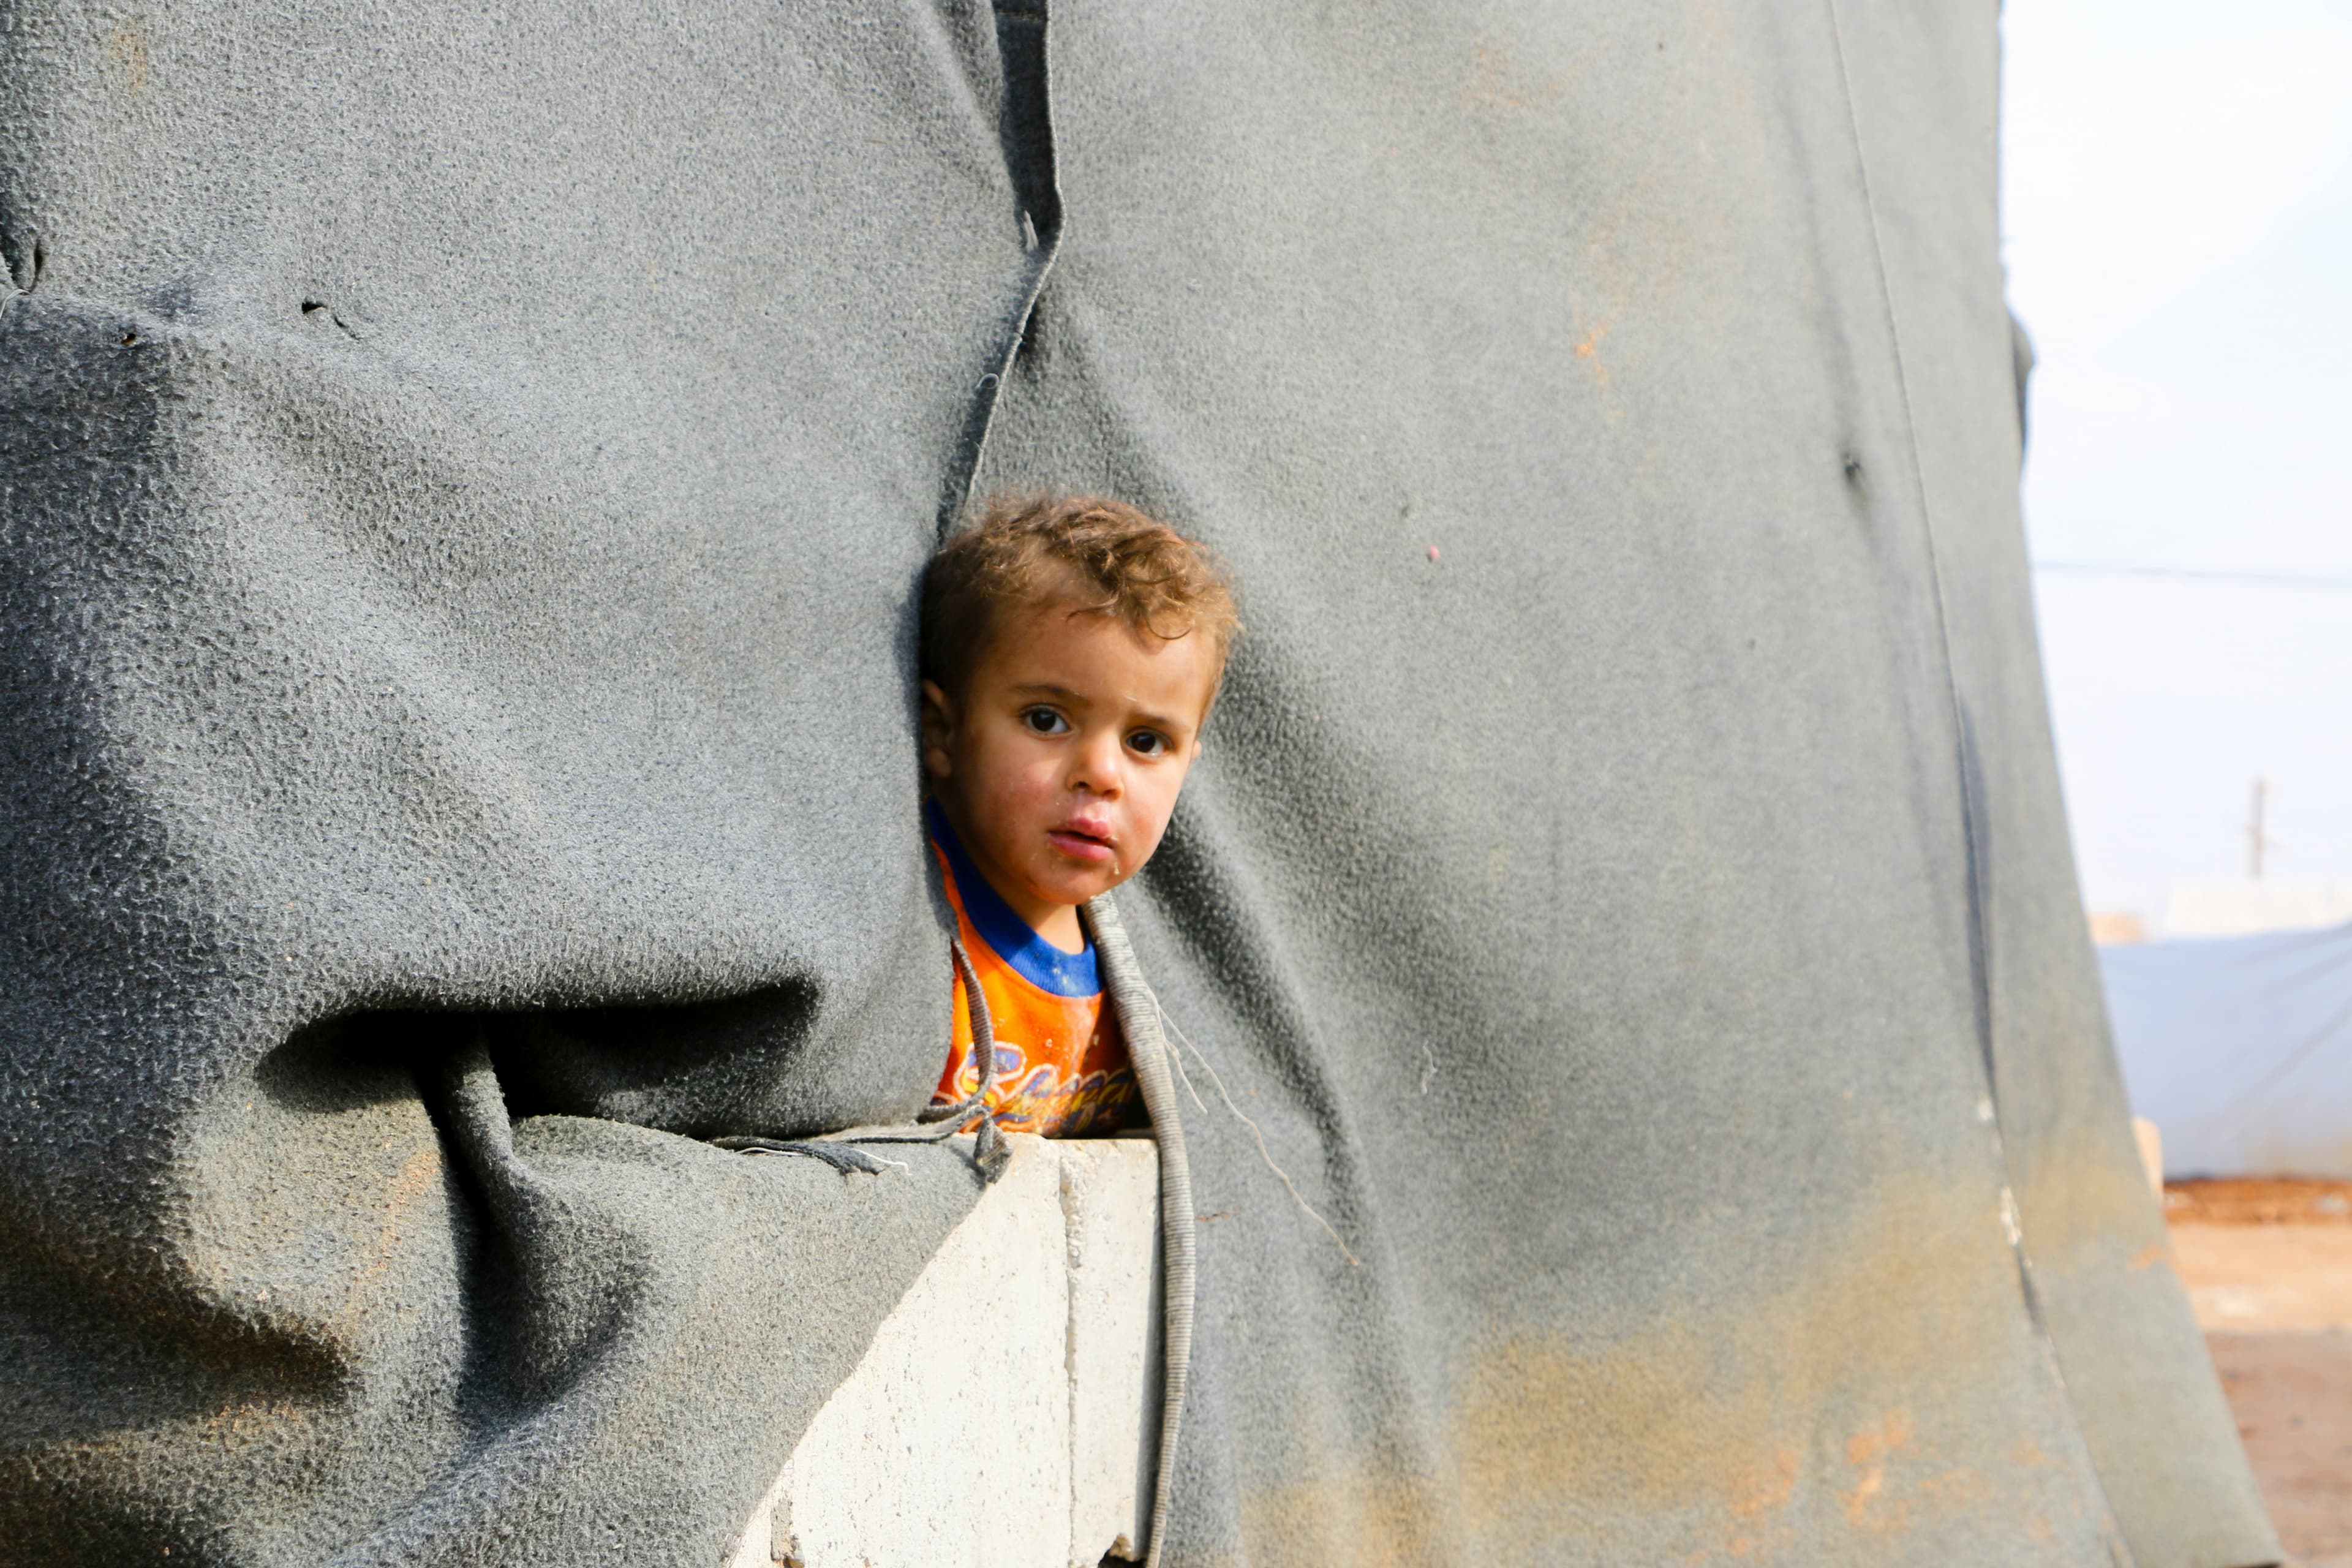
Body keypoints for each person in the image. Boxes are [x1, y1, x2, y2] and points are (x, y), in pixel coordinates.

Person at [918, 493, 1237, 1137]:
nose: (1102, 774)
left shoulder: (1150, 983)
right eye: (1047, 720)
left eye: (1146, 742)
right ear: (942, 732)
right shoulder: (912, 943)